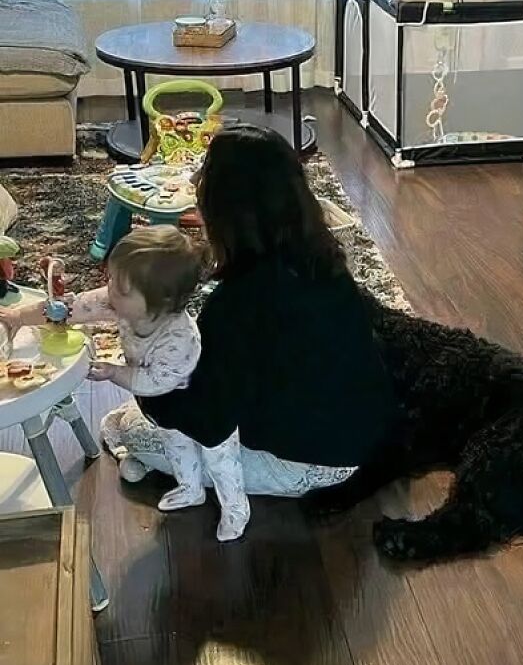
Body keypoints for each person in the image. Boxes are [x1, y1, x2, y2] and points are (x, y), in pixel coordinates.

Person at [104, 124, 401, 534]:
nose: (195, 181)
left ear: (227, 207)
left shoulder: (240, 302)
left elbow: (209, 423)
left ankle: (143, 455)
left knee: (127, 427)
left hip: (314, 464)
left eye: (203, 175)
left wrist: (142, 382)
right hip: (363, 432)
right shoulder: (318, 258)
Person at [0, 227, 254, 540]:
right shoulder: (118, 302)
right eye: (111, 280)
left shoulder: (178, 338)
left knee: (221, 462)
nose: (108, 291)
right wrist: (18, 316)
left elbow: (154, 381)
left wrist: (114, 372)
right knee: (175, 444)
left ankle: (236, 509)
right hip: (166, 406)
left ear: (159, 301)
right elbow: (71, 308)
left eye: (120, 288)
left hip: (208, 406)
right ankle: (190, 488)